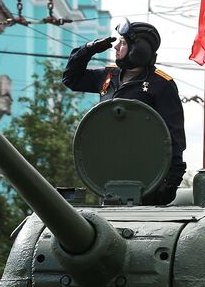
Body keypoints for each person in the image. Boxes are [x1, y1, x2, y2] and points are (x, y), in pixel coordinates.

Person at [63, 20, 186, 204]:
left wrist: (171, 180)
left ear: (139, 50)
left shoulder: (161, 85)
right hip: (110, 175)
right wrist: (88, 49)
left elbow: (174, 134)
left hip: (146, 176)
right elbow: (71, 79)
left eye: (123, 43)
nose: (116, 47)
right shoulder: (108, 76)